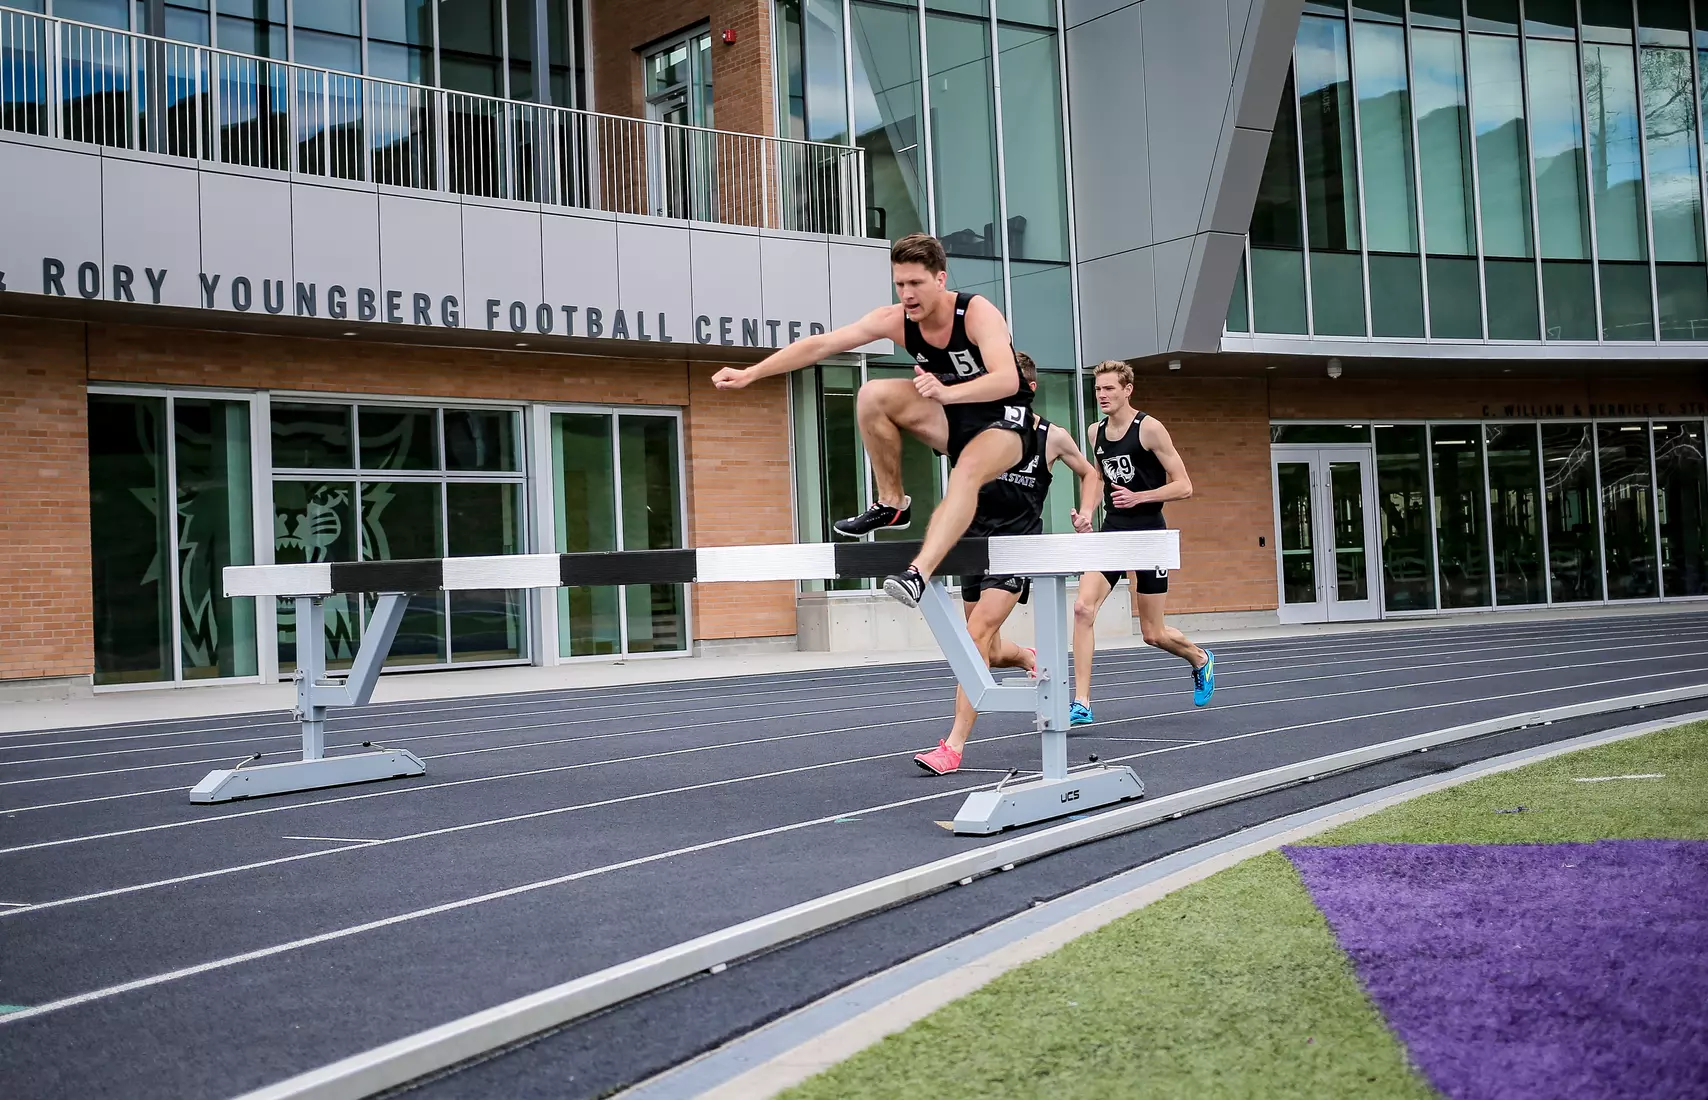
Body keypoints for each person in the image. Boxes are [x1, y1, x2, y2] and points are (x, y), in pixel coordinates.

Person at [711, 232, 1030, 609]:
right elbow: (820, 344)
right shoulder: (895, 320)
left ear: (940, 279)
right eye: (900, 284)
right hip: (952, 418)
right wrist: (751, 373)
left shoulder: (976, 313)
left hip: (1005, 422)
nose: (907, 294)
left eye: (916, 283)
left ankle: (918, 574)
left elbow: (1007, 379)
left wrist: (948, 393)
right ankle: (893, 503)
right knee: (872, 395)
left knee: (966, 472)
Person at [914, 354, 1098, 775]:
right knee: (989, 651)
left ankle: (953, 746)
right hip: (972, 547)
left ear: (1028, 390)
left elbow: (1090, 474)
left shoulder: (1052, 437)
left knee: (974, 637)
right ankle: (1028, 658)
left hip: (1016, 551)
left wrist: (1087, 512)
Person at [1068, 360, 1214, 725]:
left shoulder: (1149, 429)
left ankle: (1199, 658)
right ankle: (1082, 702)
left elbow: (1184, 486)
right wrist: (1086, 513)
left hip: (1149, 536)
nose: (1102, 395)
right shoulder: (1095, 432)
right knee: (1083, 609)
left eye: (1109, 388)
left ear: (1127, 390)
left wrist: (1140, 497)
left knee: (1153, 633)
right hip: (1113, 532)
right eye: (1098, 389)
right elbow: (1099, 479)